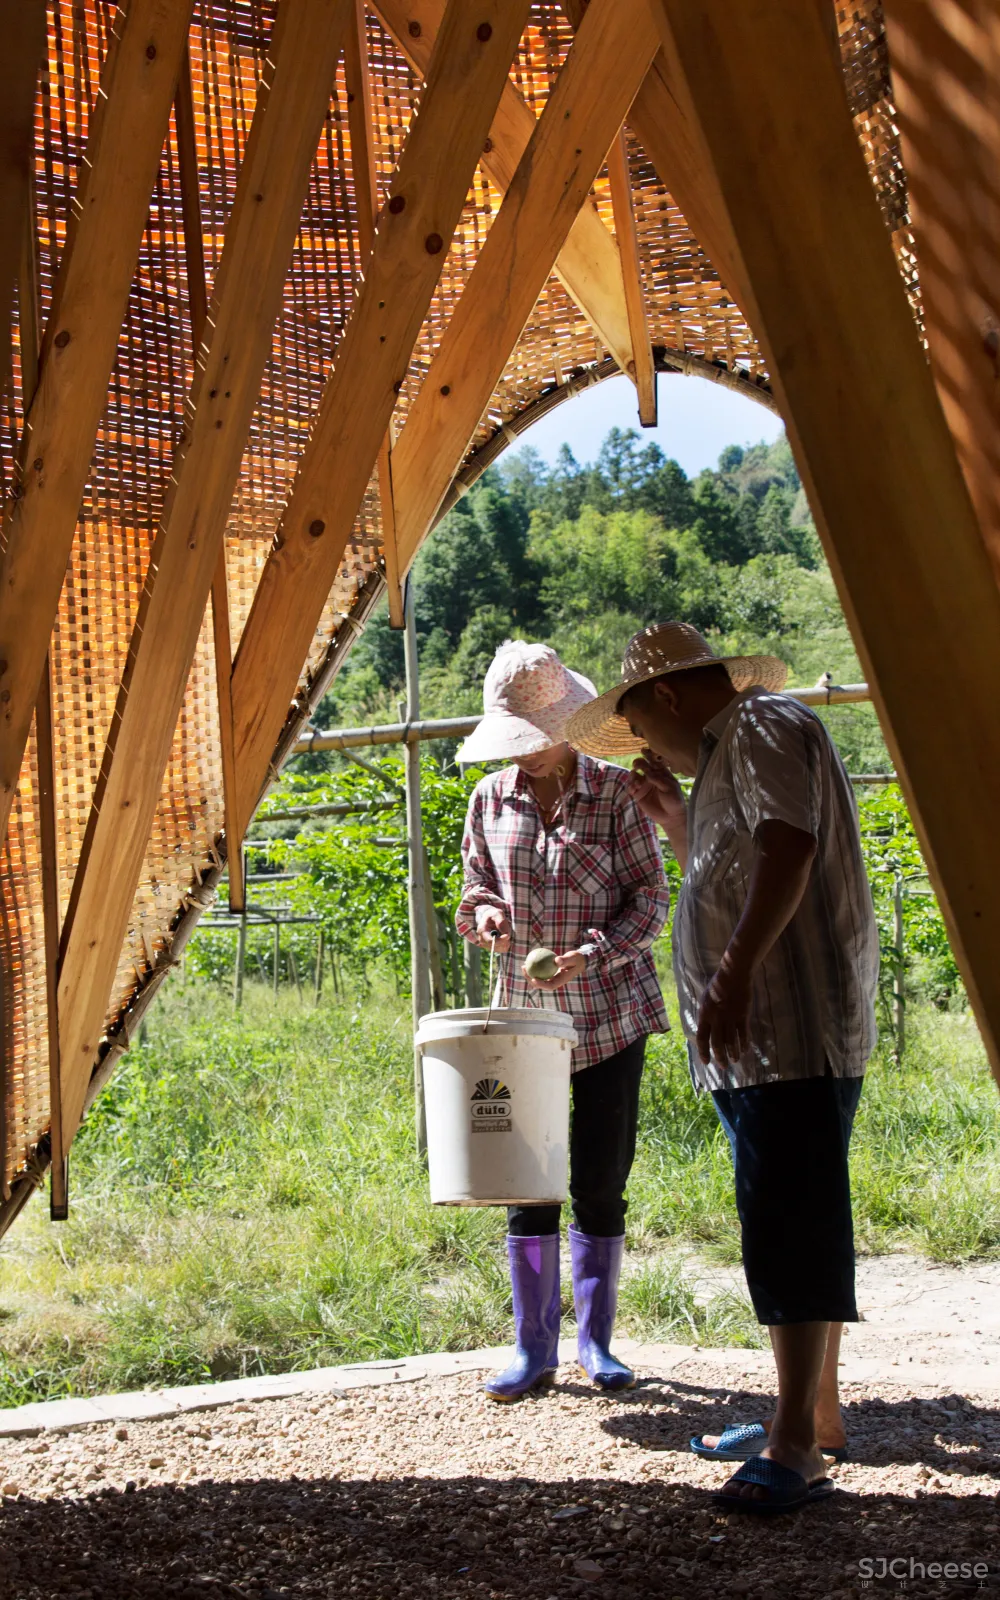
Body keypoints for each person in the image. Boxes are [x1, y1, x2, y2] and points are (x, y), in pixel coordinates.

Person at [567, 622, 879, 1515]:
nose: (641, 745)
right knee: (791, 1209)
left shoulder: (763, 725)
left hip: (788, 1026)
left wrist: (734, 976)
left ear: (665, 696)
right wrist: (678, 821)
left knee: (790, 1220)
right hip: (766, 1038)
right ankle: (813, 1419)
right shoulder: (729, 758)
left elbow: (789, 848)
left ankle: (793, 1446)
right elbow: (734, 867)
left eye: (634, 722)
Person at [455, 640, 670, 1402]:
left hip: (611, 1015)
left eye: (539, 739)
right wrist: (483, 915)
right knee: (528, 1183)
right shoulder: (489, 798)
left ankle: (596, 1343)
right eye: (518, 743)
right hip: (525, 1026)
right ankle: (532, 1349)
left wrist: (592, 951)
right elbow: (474, 888)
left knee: (602, 1179)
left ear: (567, 727)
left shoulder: (616, 794)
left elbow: (653, 902)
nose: (530, 757)